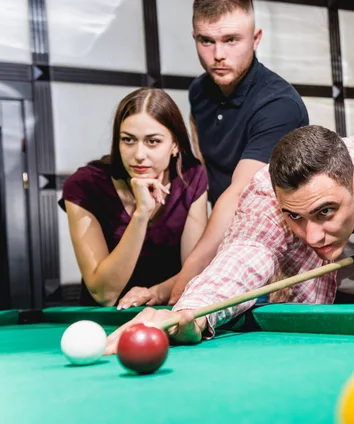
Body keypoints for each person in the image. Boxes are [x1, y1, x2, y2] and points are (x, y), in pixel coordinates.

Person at [103, 122, 354, 353]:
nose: (312, 235)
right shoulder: (265, 197)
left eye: (326, 211)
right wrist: (192, 312)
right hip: (311, 299)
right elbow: (246, 256)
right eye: (294, 216)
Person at [116, 0, 309, 309]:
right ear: (195, 38)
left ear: (256, 38)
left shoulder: (278, 104)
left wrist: (182, 282)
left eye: (231, 40)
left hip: (280, 253)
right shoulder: (199, 92)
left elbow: (238, 194)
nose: (218, 55)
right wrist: (167, 288)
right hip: (227, 239)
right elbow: (206, 171)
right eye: (207, 41)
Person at [59, 88, 209, 307]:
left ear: (175, 145)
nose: (139, 155)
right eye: (128, 140)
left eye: (153, 141)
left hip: (167, 313)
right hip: (104, 322)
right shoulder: (84, 186)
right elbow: (104, 294)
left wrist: (156, 293)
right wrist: (141, 214)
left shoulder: (191, 177)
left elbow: (194, 271)